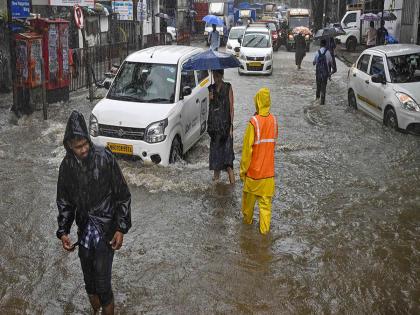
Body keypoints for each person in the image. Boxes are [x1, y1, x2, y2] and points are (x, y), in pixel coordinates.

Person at [56, 111, 132, 315]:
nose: (83, 150)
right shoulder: (67, 166)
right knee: (89, 284)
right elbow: (64, 201)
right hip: (84, 231)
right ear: (69, 146)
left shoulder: (105, 158)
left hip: (105, 229)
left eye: (85, 144)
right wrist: (63, 231)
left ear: (89, 140)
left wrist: (120, 228)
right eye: (78, 147)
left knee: (103, 285)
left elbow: (123, 195)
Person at [240, 88, 278, 235]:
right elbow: (273, 144)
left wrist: (243, 171)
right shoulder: (274, 121)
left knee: (247, 210)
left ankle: (246, 236)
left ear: (257, 101)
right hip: (268, 175)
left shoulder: (253, 122)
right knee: (265, 208)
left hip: (253, 175)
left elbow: (246, 151)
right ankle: (264, 238)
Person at [207, 69, 235, 184]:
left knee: (228, 162)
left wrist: (231, 127)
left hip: (225, 129)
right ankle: (216, 188)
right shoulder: (211, 88)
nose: (215, 77)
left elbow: (231, 107)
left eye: (217, 75)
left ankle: (232, 186)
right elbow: (211, 108)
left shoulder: (228, 87)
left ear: (222, 75)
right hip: (215, 129)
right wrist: (211, 98)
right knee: (216, 164)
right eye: (214, 75)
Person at [313, 38, 332, 105]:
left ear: (320, 45)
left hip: (318, 73)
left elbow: (314, 63)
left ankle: (317, 100)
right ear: (325, 44)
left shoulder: (317, 52)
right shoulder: (328, 52)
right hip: (325, 74)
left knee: (318, 87)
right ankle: (322, 102)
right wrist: (330, 74)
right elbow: (331, 63)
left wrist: (316, 62)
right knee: (323, 87)